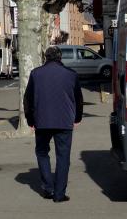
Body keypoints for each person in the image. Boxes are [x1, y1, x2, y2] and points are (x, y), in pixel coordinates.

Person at [23, 46, 83, 203]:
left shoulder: (36, 74)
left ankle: (48, 188)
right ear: (60, 57)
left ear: (46, 57)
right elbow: (78, 99)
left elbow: (28, 99)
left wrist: (30, 120)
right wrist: (77, 118)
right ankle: (59, 194)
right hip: (64, 121)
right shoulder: (71, 74)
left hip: (42, 120)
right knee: (63, 156)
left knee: (42, 152)